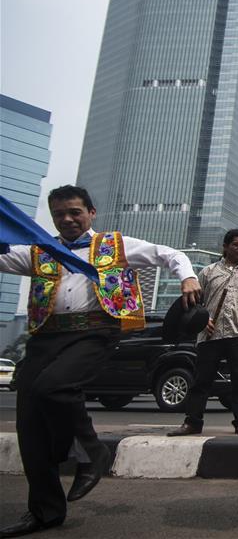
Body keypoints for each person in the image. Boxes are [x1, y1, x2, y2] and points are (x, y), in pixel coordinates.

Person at [0, 185, 200, 537]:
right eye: (59, 214)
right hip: (45, 337)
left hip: (95, 332)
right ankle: (45, 511)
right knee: (29, 424)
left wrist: (187, 276)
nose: (67, 219)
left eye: (74, 212)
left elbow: (166, 253)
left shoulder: (114, 245)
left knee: (54, 388)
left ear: (91, 213)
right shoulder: (40, 250)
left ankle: (92, 452)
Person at [168, 229, 238, 437]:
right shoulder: (208, 272)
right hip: (210, 335)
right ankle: (192, 422)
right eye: (237, 244)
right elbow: (194, 302)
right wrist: (203, 320)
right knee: (201, 380)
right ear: (225, 247)